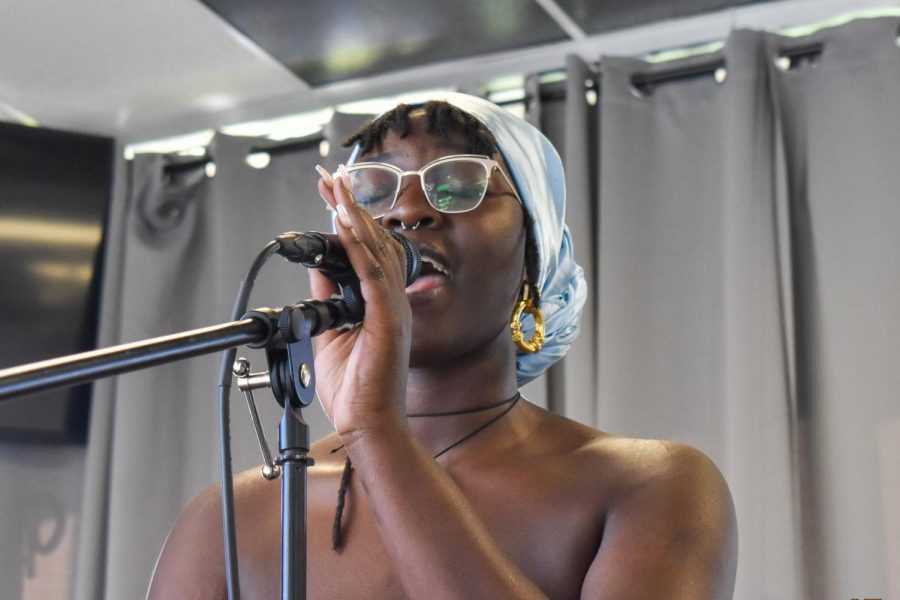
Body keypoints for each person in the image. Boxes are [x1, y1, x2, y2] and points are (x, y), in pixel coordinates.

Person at [148, 92, 737, 599]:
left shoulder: (650, 486)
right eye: (374, 193)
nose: (407, 211)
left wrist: (375, 432)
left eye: (460, 185)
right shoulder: (228, 517)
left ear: (535, 259)